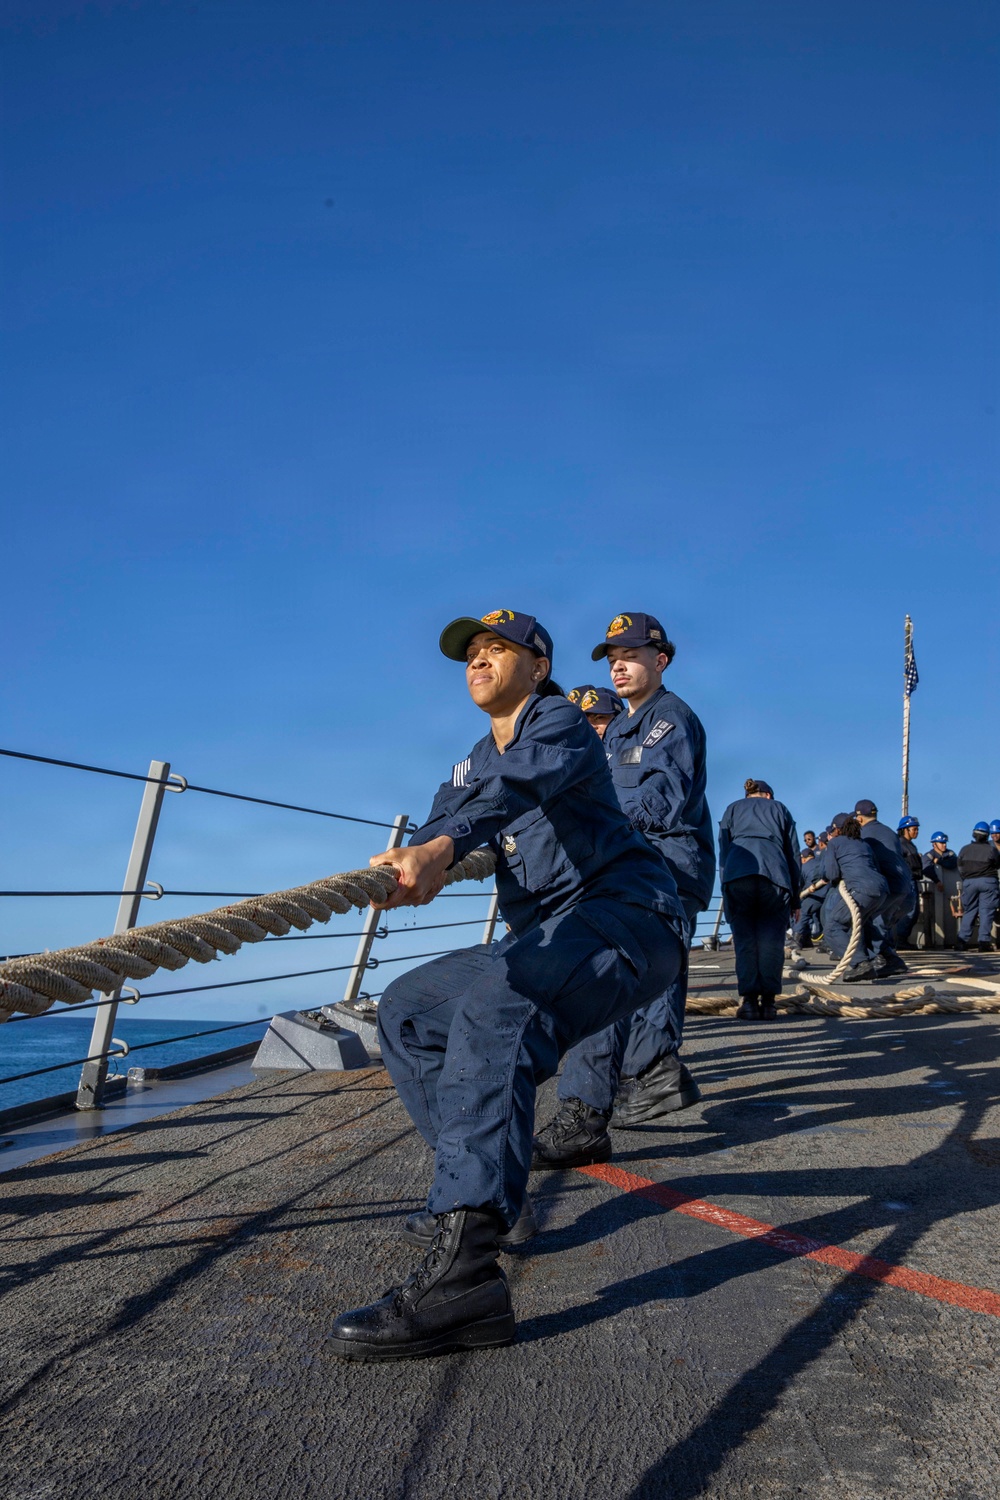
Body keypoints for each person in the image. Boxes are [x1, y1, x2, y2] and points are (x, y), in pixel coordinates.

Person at [329, 609, 687, 1360]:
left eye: (498, 650)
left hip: (626, 918)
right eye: (470, 654)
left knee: (498, 1010)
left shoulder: (555, 721)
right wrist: (412, 859)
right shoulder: (471, 759)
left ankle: (465, 1279)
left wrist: (446, 843)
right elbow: (449, 814)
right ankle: (491, 1194)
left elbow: (512, 790)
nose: (478, 661)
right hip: (548, 936)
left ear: (539, 665)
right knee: (409, 1012)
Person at [532, 611, 713, 1164]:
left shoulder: (669, 720)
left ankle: (603, 1103)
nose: (619, 668)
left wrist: (595, 827)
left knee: (600, 982)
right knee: (620, 984)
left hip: (662, 871)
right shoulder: (624, 729)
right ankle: (644, 1077)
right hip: (633, 870)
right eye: (613, 660)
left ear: (661, 659)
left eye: (630, 657)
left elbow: (659, 800)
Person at [718, 779, 801, 1019]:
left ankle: (749, 1002)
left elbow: (724, 853)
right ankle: (769, 1003)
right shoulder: (780, 809)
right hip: (774, 875)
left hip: (737, 875)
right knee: (771, 940)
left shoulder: (732, 809)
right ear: (767, 795)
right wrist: (796, 899)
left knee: (745, 940)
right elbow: (793, 854)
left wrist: (726, 888)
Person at [803, 814, 888, 981]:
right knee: (857, 924)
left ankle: (861, 964)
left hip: (861, 890)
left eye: (833, 829)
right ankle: (876, 959)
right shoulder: (864, 844)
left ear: (838, 829)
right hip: (882, 890)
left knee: (832, 927)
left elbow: (832, 874)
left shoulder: (834, 843)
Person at [854, 800, 914, 978]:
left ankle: (888, 960)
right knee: (882, 922)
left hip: (890, 885)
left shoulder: (864, 834)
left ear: (859, 818)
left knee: (869, 920)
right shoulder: (888, 831)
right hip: (906, 887)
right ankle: (887, 959)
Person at [955, 823, 1000, 952]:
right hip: (988, 882)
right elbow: (997, 864)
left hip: (969, 882)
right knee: (986, 912)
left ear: (974, 834)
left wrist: (968, 878)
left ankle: (962, 942)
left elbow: (960, 867)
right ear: (987, 836)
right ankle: (984, 942)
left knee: (970, 911)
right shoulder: (991, 850)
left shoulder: (964, 849)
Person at [896, 816, 924, 947]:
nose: (916, 832)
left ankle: (902, 939)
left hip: (912, 880)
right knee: (909, 911)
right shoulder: (901, 844)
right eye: (914, 829)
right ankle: (900, 940)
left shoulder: (910, 845)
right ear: (905, 830)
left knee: (914, 911)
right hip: (907, 881)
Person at [793, 847, 826, 949]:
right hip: (828, 894)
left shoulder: (804, 867)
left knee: (803, 912)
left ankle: (796, 940)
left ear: (803, 858)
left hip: (815, 894)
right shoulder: (820, 862)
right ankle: (807, 940)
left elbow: (799, 884)